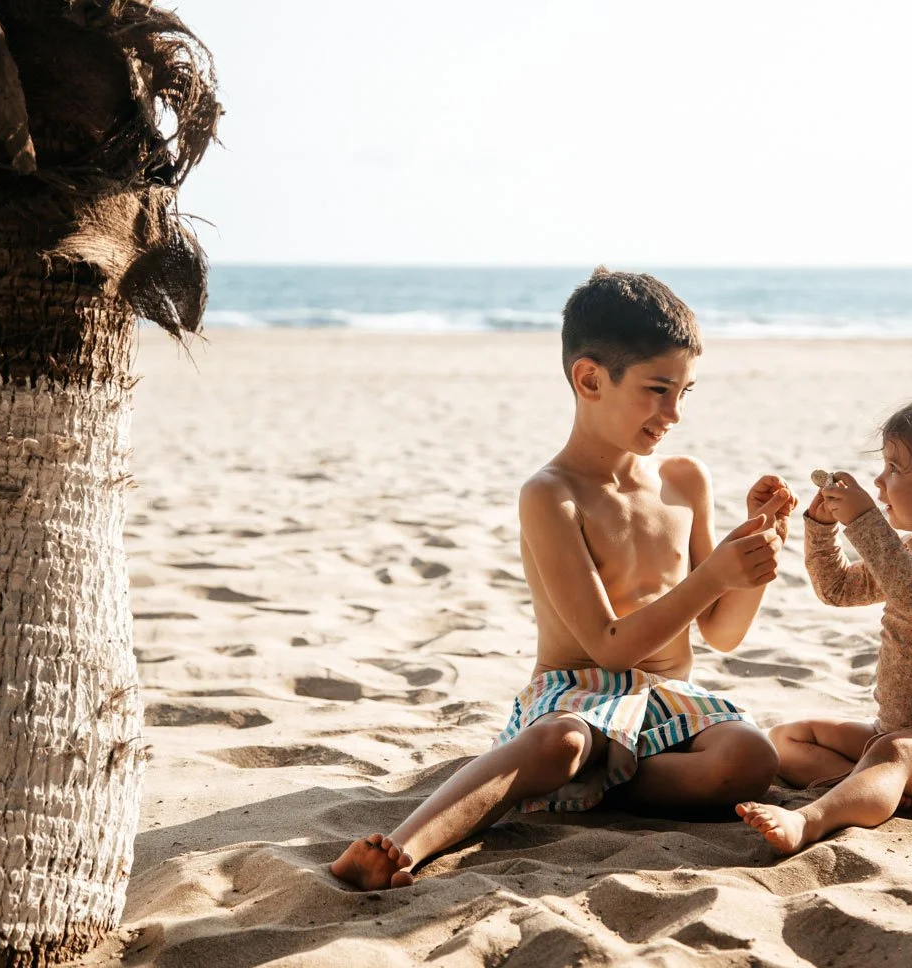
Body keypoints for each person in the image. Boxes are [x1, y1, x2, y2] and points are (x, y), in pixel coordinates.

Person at [332, 267, 795, 889]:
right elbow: (609, 644)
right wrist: (714, 575)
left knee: (749, 757)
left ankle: (593, 788)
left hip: (663, 705)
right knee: (563, 747)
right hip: (575, 698)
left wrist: (754, 556)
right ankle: (407, 843)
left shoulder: (685, 481)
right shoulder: (551, 495)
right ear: (589, 378)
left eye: (686, 391)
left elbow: (724, 632)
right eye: (659, 389)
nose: (674, 413)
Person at [737, 391, 912, 854]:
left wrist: (866, 521)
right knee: (788, 738)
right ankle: (876, 787)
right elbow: (837, 589)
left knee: (897, 754)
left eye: (894, 469)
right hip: (892, 729)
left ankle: (810, 820)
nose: (878, 480)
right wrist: (822, 525)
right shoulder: (911, 550)